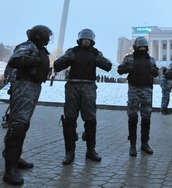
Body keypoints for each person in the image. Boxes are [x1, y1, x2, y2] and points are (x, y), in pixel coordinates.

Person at [54, 28, 112, 165]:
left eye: (88, 40)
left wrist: (97, 56)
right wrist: (70, 57)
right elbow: (57, 65)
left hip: (89, 87)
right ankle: (69, 152)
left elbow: (108, 66)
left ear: (92, 41)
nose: (86, 41)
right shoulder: (72, 51)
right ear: (80, 40)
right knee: (69, 119)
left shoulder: (95, 53)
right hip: (73, 87)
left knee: (90, 119)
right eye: (84, 39)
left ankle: (90, 150)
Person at [2, 25, 52, 186]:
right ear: (39, 36)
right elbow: (14, 60)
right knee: (17, 126)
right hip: (24, 85)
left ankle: (15, 158)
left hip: (33, 87)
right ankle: (10, 169)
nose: (48, 39)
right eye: (46, 36)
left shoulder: (39, 48)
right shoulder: (27, 46)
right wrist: (35, 60)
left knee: (23, 124)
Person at [117, 37, 159, 156]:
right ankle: (133, 145)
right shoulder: (129, 58)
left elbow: (156, 72)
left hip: (146, 89)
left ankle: (145, 143)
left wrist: (153, 71)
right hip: (134, 89)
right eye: (140, 48)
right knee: (133, 117)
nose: (142, 50)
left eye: (143, 48)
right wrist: (129, 68)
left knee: (146, 117)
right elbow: (120, 69)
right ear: (136, 48)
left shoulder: (150, 60)